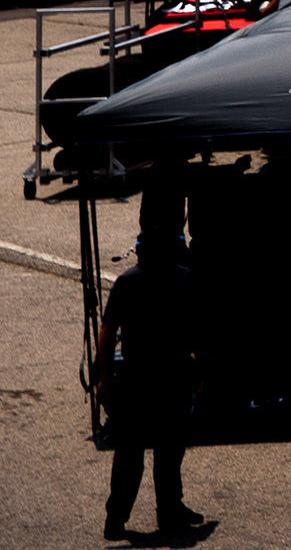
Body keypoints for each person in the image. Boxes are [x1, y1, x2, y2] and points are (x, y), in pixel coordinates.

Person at [97, 230, 204, 537]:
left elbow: (107, 332)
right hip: (173, 378)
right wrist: (201, 371)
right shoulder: (185, 279)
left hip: (138, 379)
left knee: (131, 454)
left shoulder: (127, 282)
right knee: (169, 450)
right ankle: (168, 510)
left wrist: (105, 378)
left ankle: (117, 518)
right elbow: (199, 331)